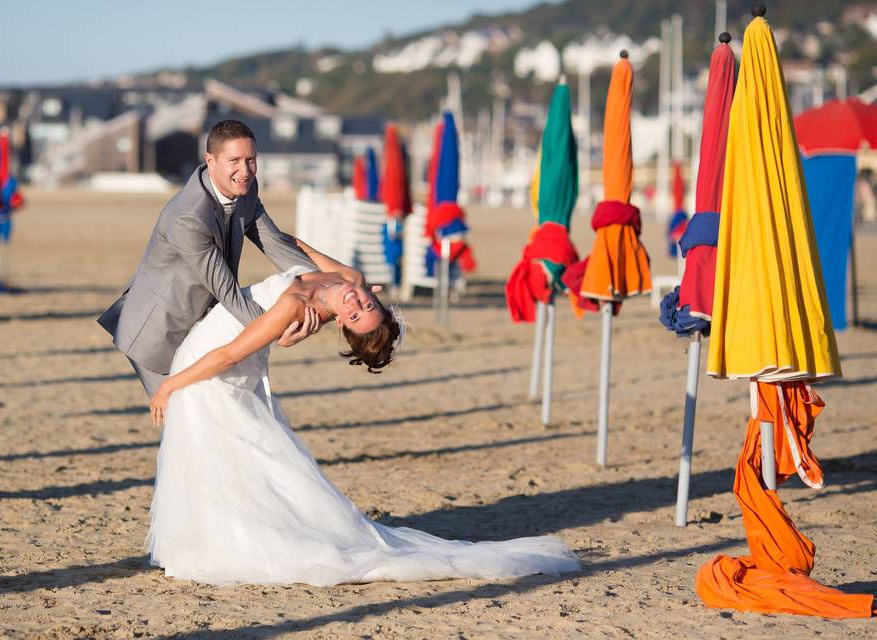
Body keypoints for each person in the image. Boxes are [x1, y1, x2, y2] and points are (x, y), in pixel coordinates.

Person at [144, 262, 579, 586]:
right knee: (237, 460)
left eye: (356, 315)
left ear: (341, 325)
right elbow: (293, 247)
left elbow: (229, 355)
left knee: (234, 456)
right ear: (371, 294)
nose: (356, 303)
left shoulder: (295, 306)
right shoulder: (348, 279)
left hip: (211, 371)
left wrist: (169, 387)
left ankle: (221, 542)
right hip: (208, 354)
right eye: (365, 304)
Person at [97, 119, 333, 398]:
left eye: (251, 160)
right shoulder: (188, 217)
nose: (245, 171)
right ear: (210, 160)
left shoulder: (246, 189)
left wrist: (327, 290)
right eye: (234, 160)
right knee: (185, 423)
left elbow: (274, 244)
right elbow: (228, 292)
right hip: (158, 331)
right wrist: (280, 330)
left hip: (205, 321)